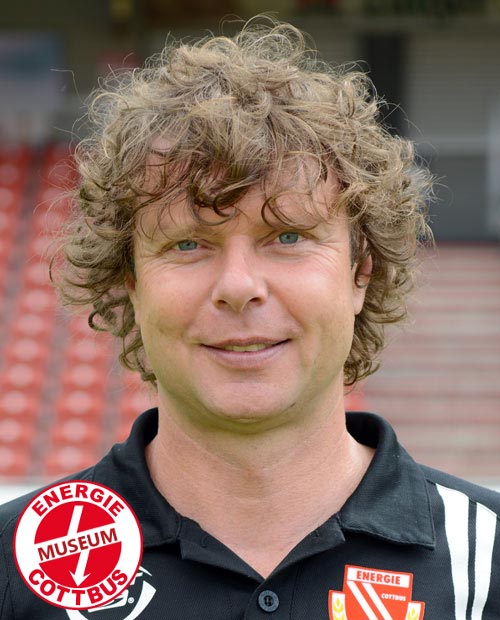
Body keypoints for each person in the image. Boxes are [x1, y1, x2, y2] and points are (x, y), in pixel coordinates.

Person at [1, 16, 499, 620]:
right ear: (130, 282)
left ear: (360, 271)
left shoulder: (487, 562)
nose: (238, 287)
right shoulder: (13, 567)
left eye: (287, 236)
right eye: (188, 244)